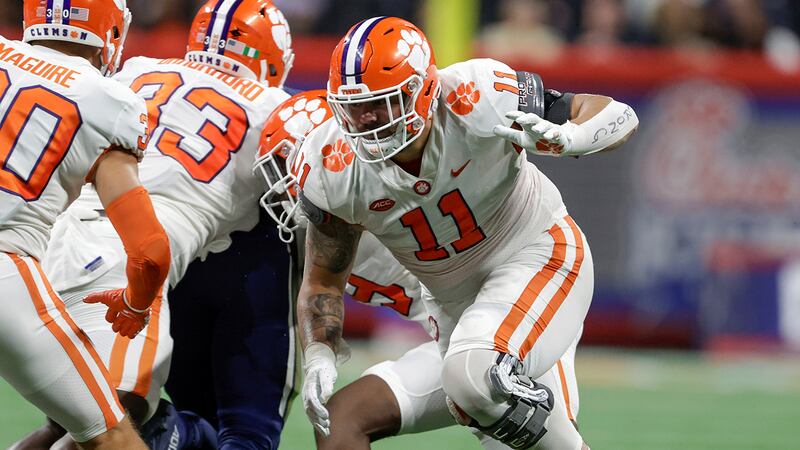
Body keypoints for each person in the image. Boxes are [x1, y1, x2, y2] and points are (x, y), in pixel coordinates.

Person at [296, 16, 638, 450]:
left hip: (537, 256)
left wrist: (571, 137)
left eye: (382, 103)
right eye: (353, 106)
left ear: (422, 90)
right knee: (351, 417)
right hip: (456, 311)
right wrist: (319, 354)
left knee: (471, 376)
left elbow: (619, 116)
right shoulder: (332, 165)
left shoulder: (475, 94)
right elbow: (323, 280)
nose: (366, 120)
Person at [12, 0, 292, 448]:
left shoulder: (137, 70)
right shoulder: (277, 109)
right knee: (116, 428)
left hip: (47, 242)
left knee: (71, 423)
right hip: (121, 256)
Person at [0, 0, 169, 448]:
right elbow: (151, 249)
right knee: (110, 434)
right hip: (4, 270)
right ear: (111, 32)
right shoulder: (104, 100)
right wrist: (135, 304)